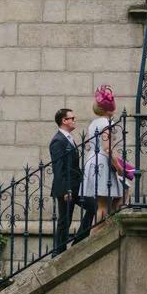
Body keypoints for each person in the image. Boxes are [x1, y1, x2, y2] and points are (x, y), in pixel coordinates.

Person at [82, 85, 128, 224]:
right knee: (104, 204)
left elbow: (88, 145)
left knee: (117, 194)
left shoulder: (93, 123)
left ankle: (110, 225)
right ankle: (95, 235)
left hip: (92, 160)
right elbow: (107, 148)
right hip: (102, 162)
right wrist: (119, 168)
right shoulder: (108, 123)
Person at [50, 107, 86, 255]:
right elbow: (58, 168)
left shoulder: (69, 138)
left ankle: (78, 241)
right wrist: (65, 190)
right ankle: (59, 252)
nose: (75, 120)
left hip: (76, 185)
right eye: (72, 118)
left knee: (93, 207)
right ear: (64, 121)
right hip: (66, 187)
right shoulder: (58, 140)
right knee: (65, 220)